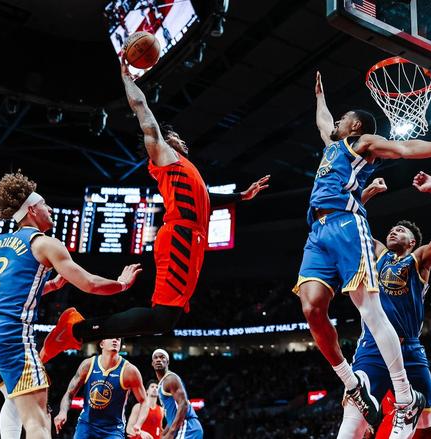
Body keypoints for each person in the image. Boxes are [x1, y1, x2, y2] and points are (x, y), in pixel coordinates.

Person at [39, 57, 270, 363]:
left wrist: (241, 196)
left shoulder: (186, 170)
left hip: (190, 239)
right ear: (167, 139)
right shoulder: (163, 154)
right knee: (162, 316)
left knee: (165, 320)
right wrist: (128, 79)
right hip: (180, 238)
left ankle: (75, 330)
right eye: (175, 136)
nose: (181, 139)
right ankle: (74, 331)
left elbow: (204, 198)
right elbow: (142, 110)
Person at [293, 71, 431, 437]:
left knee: (368, 307)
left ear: (355, 126)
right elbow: (323, 123)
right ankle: (352, 384)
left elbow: (405, 148)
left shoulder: (363, 142)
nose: (336, 122)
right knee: (311, 308)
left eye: (344, 118)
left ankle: (405, 398)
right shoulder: (333, 147)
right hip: (318, 229)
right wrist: (319, 97)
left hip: (347, 227)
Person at [0, 171, 142, 439]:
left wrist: (49, 286)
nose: (50, 209)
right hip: (8, 335)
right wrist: (121, 284)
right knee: (38, 420)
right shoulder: (45, 244)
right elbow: (90, 283)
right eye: (45, 204)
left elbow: (7, 289)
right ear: (32, 209)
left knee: (14, 399)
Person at [337, 172, 431, 438]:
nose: (394, 230)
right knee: (356, 419)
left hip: (409, 348)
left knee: (426, 426)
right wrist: (368, 193)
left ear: (412, 242)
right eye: (392, 229)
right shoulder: (378, 253)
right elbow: (345, 223)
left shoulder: (419, 259)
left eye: (401, 230)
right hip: (372, 346)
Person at [53, 338, 148, 439]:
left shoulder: (129, 371)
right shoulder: (88, 365)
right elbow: (69, 393)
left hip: (113, 429)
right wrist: (62, 412)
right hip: (87, 425)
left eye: (118, 339)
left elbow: (144, 401)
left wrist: (138, 424)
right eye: (111, 337)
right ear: (101, 344)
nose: (115, 340)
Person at [152, 349, 203, 439]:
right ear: (152, 363)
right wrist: (165, 432)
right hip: (184, 426)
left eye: (162, 357)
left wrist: (171, 433)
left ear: (168, 362)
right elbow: (173, 414)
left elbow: (183, 404)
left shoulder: (170, 379)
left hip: (187, 426)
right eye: (155, 358)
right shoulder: (161, 384)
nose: (158, 360)